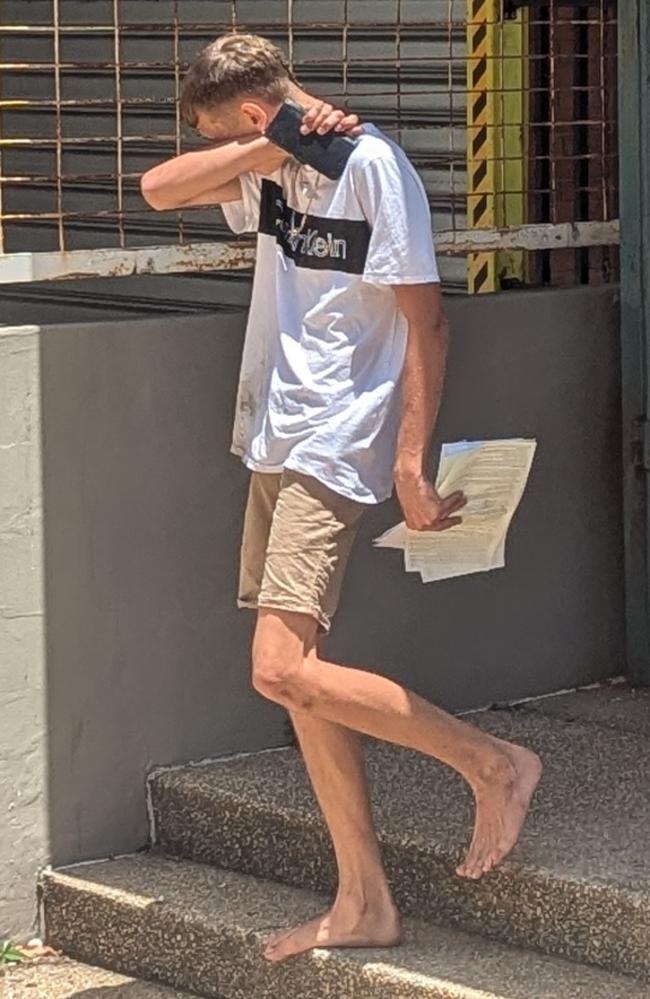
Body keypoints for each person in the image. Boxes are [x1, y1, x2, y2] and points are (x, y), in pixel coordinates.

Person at [140, 33, 542, 965]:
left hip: (335, 437)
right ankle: (363, 900)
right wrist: (273, 144)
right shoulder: (274, 162)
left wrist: (410, 461)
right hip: (274, 431)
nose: (213, 151)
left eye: (220, 133)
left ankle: (493, 764)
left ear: (246, 111)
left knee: (278, 669)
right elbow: (161, 189)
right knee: (304, 673)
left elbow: (425, 318)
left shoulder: (371, 163)